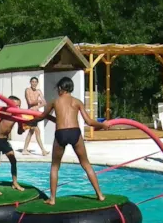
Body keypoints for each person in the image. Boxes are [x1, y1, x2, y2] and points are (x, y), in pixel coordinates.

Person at [40, 77, 110, 205]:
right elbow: (89, 122)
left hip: (61, 133)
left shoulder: (55, 101)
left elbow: (41, 116)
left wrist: (28, 121)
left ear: (61, 88)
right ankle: (100, 195)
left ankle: (53, 199)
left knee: (55, 166)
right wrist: (103, 125)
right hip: (75, 132)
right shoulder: (77, 102)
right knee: (86, 164)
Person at [0, 96, 25, 196]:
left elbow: (19, 132)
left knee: (13, 161)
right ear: (9, 105)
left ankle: (15, 183)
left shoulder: (17, 117)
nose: (18, 108)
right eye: (16, 105)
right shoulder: (3, 113)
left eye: (19, 105)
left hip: (5, 141)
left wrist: (22, 128)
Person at [22, 77, 49, 156]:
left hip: (36, 113)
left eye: (35, 82)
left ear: (37, 83)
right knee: (37, 131)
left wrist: (37, 106)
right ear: (30, 82)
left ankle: (24, 150)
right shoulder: (27, 90)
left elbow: (44, 102)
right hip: (30, 114)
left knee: (31, 132)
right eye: (33, 82)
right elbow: (30, 102)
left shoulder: (38, 91)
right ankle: (43, 151)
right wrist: (38, 101)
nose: (34, 83)